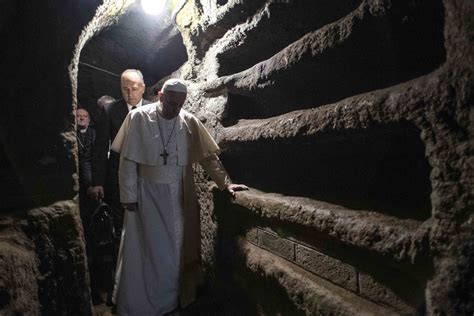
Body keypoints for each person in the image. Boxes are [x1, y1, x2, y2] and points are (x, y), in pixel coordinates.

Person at [111, 78, 248, 315]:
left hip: (179, 194)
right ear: (161, 97)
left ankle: (172, 300)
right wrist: (129, 196)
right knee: (145, 249)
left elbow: (208, 158)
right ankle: (140, 305)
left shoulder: (188, 121)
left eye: (180, 104)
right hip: (146, 195)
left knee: (176, 249)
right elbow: (128, 160)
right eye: (171, 103)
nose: (176, 109)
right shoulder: (138, 117)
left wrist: (226, 184)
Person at [88, 69, 151, 301]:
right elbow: (99, 148)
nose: (129, 93)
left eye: (134, 88)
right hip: (116, 179)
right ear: (119, 88)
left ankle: (145, 277)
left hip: (147, 179)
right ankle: (122, 282)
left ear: (143, 88)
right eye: (125, 88)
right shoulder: (110, 110)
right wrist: (97, 182)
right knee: (119, 227)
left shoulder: (152, 109)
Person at [75, 106, 103, 303]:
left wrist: (93, 185)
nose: (81, 119)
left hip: (92, 189)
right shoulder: (71, 135)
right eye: (78, 116)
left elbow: (93, 159)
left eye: (85, 116)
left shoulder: (94, 134)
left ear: (90, 118)